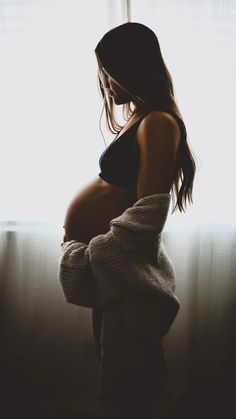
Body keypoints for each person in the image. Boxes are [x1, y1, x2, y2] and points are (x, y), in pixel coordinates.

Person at [62, 22, 196, 419]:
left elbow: (149, 211)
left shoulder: (158, 122)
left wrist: (97, 252)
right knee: (118, 376)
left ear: (133, 67)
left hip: (127, 277)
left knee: (131, 385)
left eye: (110, 71)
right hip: (115, 276)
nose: (105, 82)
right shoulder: (140, 117)